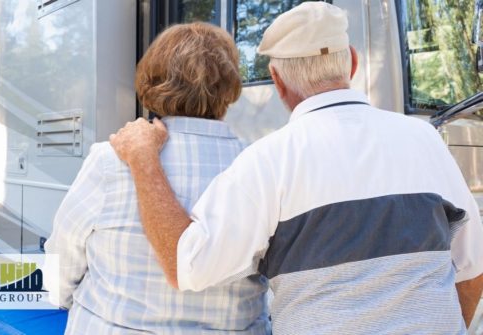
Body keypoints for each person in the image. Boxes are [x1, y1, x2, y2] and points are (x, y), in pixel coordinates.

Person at [109, 2, 483, 334]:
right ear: (352, 61)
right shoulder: (425, 139)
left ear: (277, 80)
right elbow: (471, 271)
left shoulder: (268, 160)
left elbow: (186, 265)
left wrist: (143, 159)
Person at [43, 22, 270, 334]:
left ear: (151, 82)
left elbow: (61, 263)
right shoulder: (260, 166)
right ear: (229, 87)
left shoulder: (109, 160)